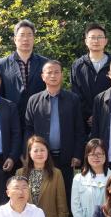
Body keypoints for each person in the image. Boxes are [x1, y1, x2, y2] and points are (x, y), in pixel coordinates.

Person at [25, 60, 86, 194]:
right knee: (39, 193)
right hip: (40, 157)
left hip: (66, 157)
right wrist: (29, 153)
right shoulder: (34, 100)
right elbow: (28, 129)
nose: (53, 75)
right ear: (43, 76)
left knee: (65, 192)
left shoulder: (73, 99)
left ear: (62, 75)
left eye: (57, 72)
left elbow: (79, 129)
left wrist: (77, 154)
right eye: (49, 72)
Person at [70, 138, 111, 217]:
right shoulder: (79, 178)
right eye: (92, 154)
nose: (96, 157)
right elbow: (75, 206)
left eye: (99, 154)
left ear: (105, 155)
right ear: (86, 156)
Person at [0, 19, 50, 117]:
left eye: (29, 35)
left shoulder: (45, 63)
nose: (26, 39)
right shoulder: (2, 64)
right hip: (11, 116)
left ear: (34, 39)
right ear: (15, 39)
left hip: (39, 115)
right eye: (22, 35)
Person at [69, 23, 111, 133]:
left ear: (106, 41)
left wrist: (100, 115)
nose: (96, 41)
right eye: (92, 37)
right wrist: (89, 114)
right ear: (86, 41)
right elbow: (75, 93)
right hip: (84, 122)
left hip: (110, 119)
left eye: (100, 37)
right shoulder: (78, 65)